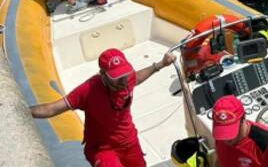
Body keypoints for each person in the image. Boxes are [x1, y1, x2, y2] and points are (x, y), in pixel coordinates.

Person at [30, 48, 177, 167]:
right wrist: (20, 110)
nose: (123, 81)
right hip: (103, 149)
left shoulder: (127, 78)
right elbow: (51, 109)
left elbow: (137, 77)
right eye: (116, 77)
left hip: (130, 143)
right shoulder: (87, 90)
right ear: (103, 75)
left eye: (124, 75)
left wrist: (159, 65)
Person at [213, 95, 268, 167]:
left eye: (230, 130)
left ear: (243, 118)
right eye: (222, 131)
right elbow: (220, 159)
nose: (225, 138)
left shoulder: (266, 144)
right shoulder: (220, 135)